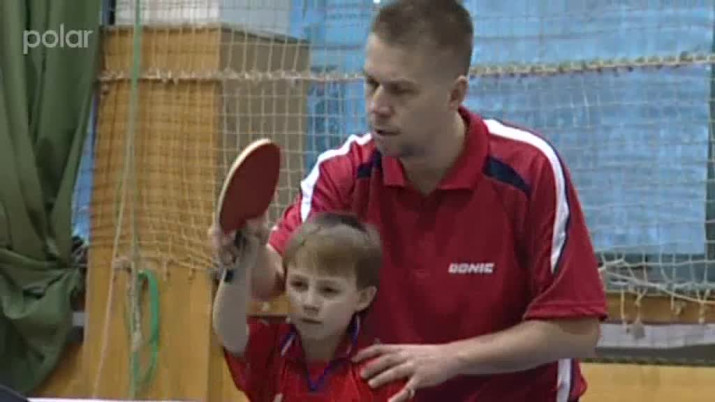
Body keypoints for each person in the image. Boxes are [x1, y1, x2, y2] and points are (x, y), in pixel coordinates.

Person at [210, 0, 608, 400]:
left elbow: (577, 330)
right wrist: (245, 249)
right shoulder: (344, 173)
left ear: (455, 94)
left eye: (401, 90)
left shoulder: (529, 170)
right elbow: (274, 280)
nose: (377, 106)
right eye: (371, 83)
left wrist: (451, 359)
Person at [212, 212, 404, 401]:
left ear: (363, 298)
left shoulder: (381, 374)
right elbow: (229, 333)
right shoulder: (273, 347)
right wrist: (240, 261)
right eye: (299, 285)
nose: (310, 302)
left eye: (328, 290)